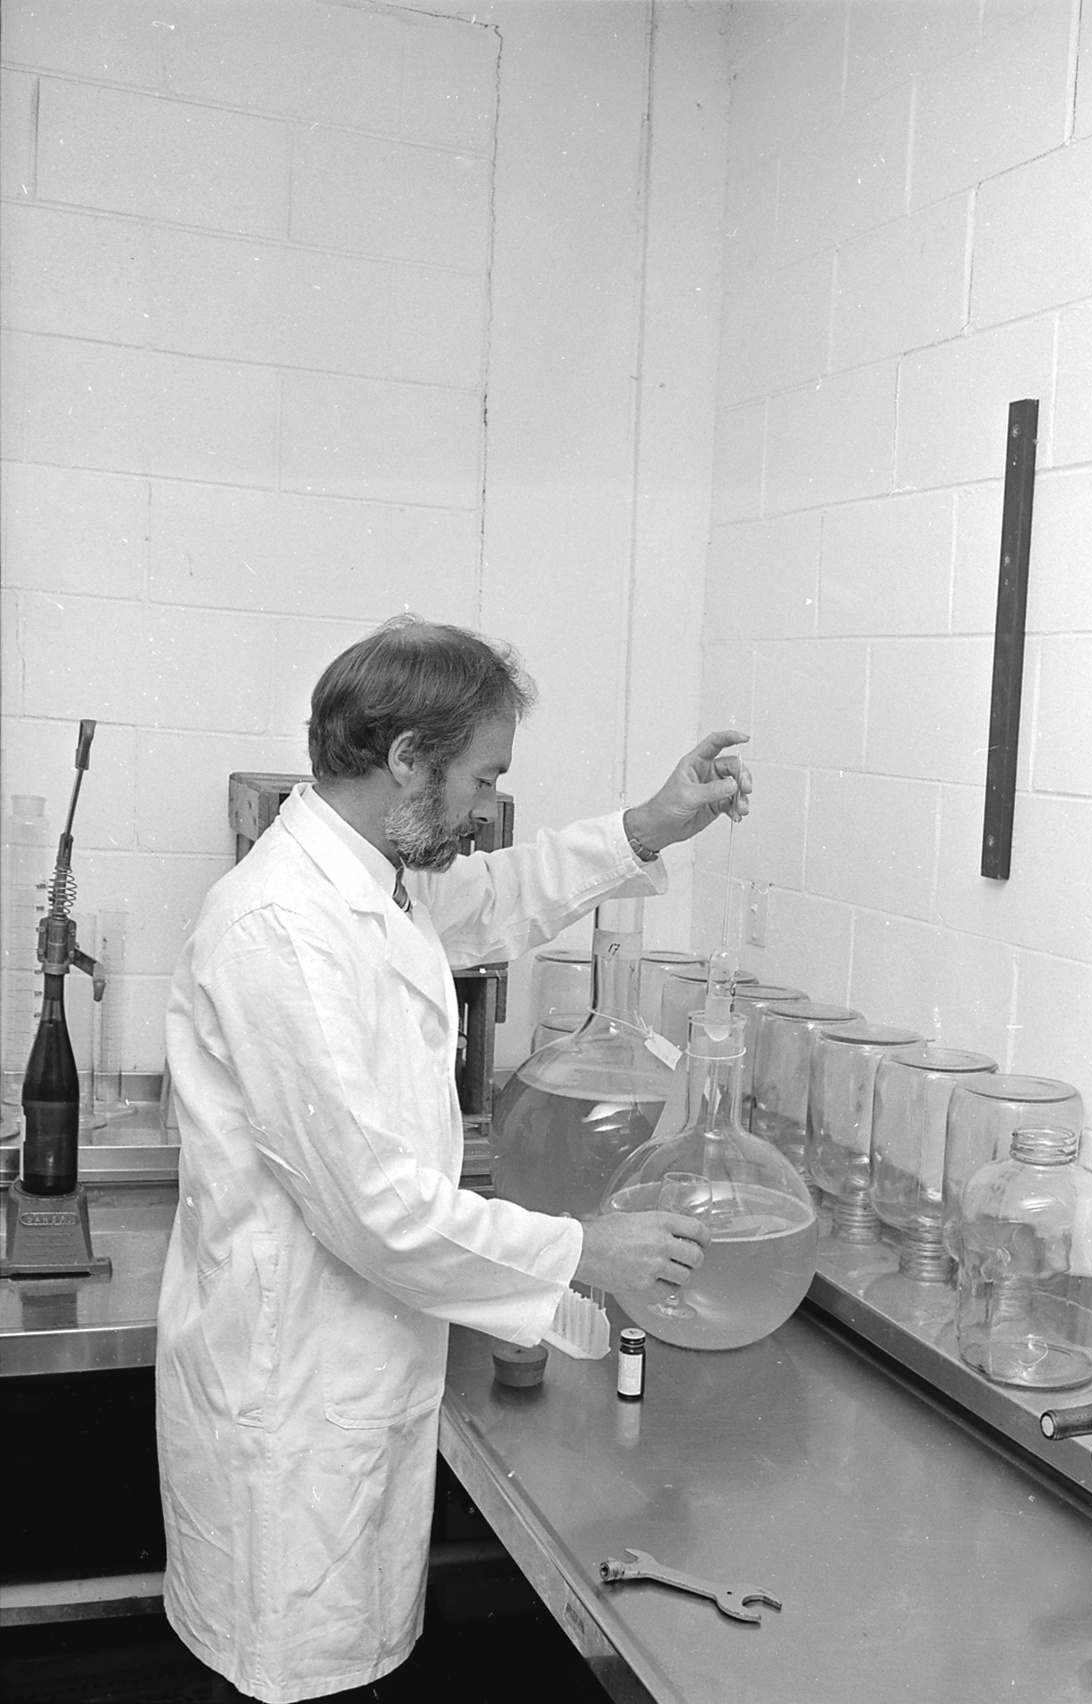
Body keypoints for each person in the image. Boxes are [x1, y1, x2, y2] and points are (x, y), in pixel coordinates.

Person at [156, 616, 750, 1704]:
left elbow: (499, 897)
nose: (487, 809)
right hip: (292, 1411)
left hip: (351, 1384)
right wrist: (586, 1251)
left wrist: (649, 826)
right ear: (406, 761)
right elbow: (378, 1212)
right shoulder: (280, 930)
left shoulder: (376, 883)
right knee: (291, 1678)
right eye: (483, 777)